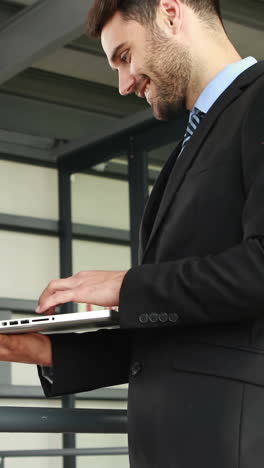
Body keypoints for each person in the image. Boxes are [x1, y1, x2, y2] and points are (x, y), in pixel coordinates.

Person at [0, 0, 264, 466]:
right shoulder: (192, 144)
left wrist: (125, 285)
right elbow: (189, 324)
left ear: (170, 11)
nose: (123, 84)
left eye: (124, 55)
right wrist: (44, 349)